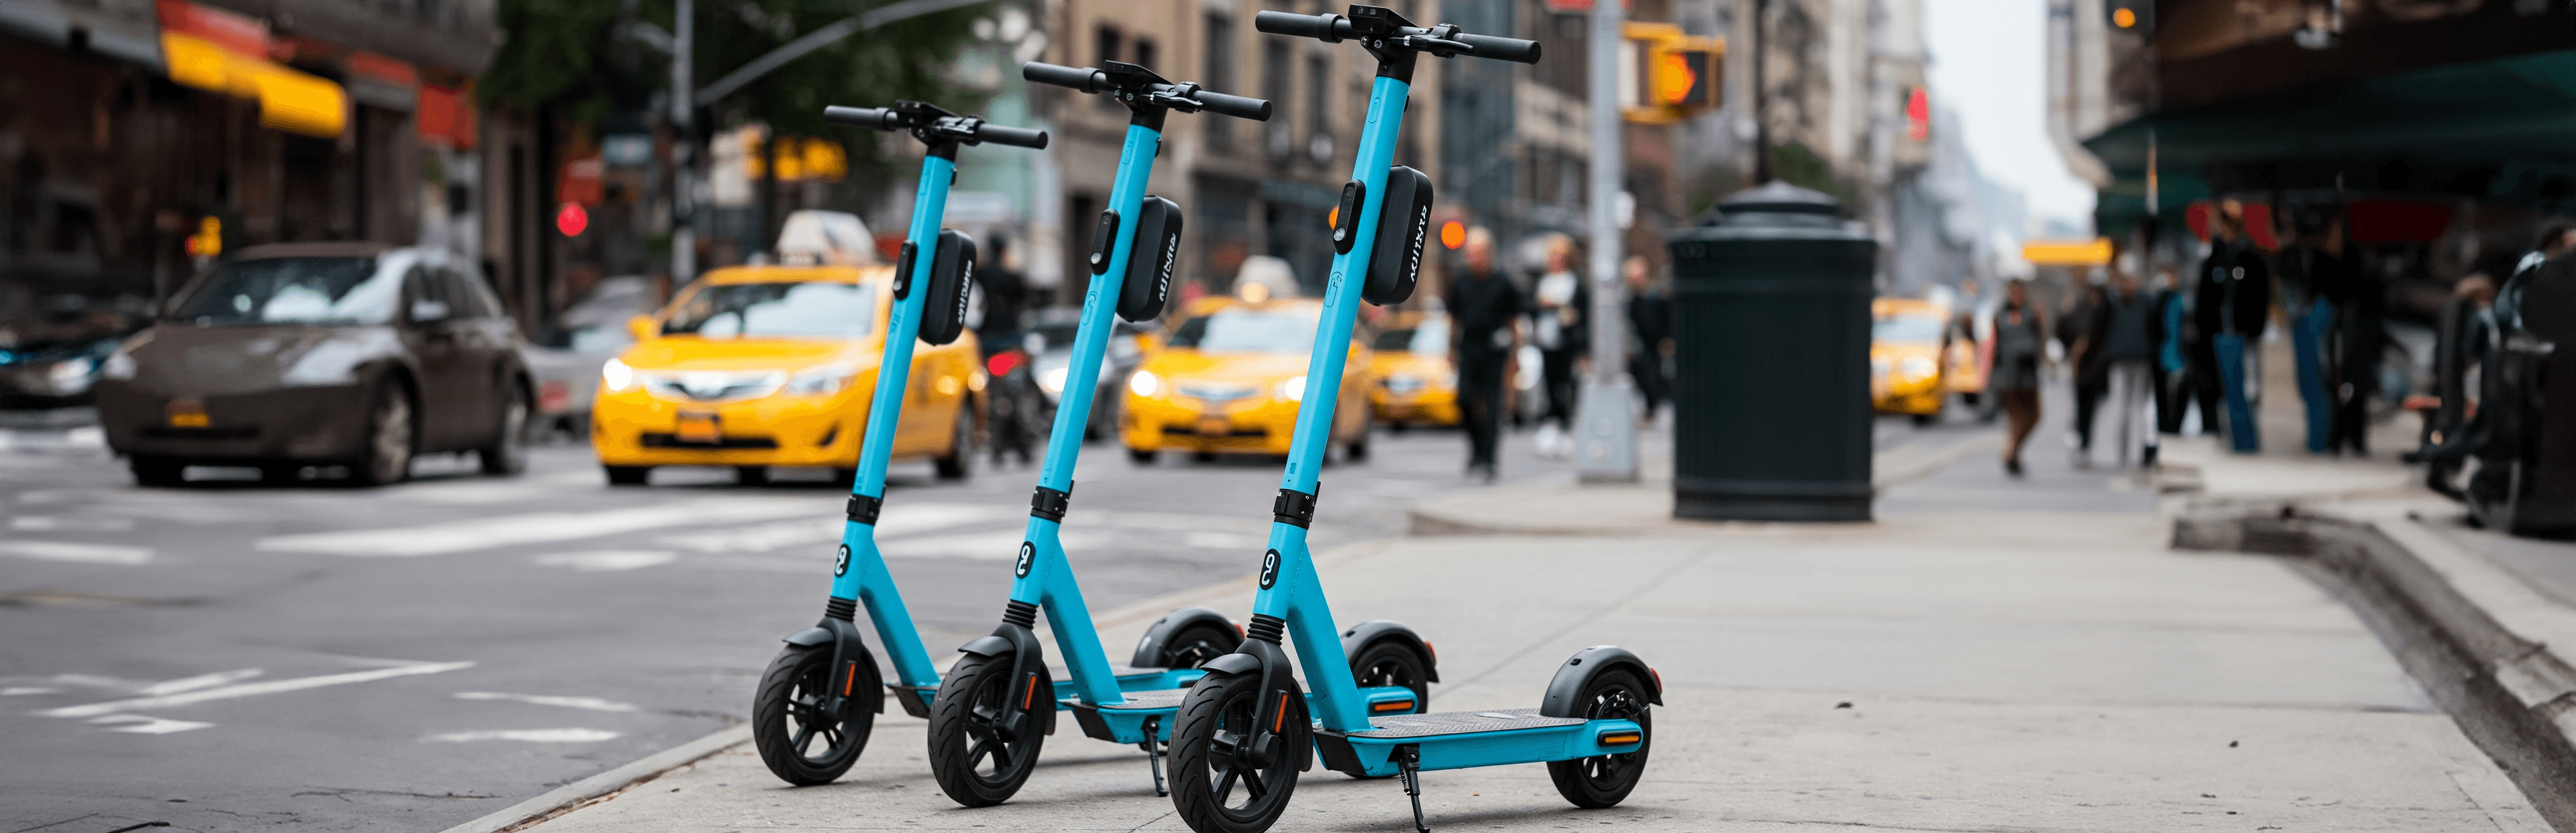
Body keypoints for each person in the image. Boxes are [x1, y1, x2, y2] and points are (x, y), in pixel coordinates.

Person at [2194, 199, 2273, 452]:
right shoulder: (2214, 260)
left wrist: (2256, 328)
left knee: (2248, 389)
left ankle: (2248, 441)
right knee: (2229, 390)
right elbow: (2203, 298)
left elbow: (2262, 295)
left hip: (2244, 334)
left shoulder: (2250, 258)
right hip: (2222, 334)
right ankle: (2236, 441)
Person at [1446, 226, 1521, 482]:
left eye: (1477, 252)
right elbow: (1453, 319)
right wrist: (1450, 348)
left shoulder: (1504, 283)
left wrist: (1516, 356)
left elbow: (1514, 322)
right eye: (1470, 253)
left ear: (1489, 253)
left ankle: (1488, 459)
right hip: (1469, 350)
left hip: (1495, 352)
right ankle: (1475, 451)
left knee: (1491, 408)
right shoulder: (1461, 281)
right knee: (1465, 401)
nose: (1473, 258)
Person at [2076, 265, 2166, 467]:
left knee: (2141, 408)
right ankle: (2122, 454)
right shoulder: (2111, 302)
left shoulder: (2146, 301)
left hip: (2141, 360)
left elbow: (2156, 329)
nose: (2127, 285)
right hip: (2118, 361)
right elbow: (2099, 331)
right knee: (2121, 407)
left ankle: (2143, 452)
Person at [1528, 235, 1589, 457]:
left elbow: (1582, 317)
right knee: (1548, 385)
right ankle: (1551, 426)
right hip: (1545, 341)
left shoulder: (1575, 283)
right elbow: (1531, 308)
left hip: (1566, 343)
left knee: (1566, 385)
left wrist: (1583, 350)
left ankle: (1564, 428)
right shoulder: (1542, 282)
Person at [1990, 279, 2048, 476]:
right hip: (2008, 374)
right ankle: (2012, 454)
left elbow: (2039, 340)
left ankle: (2013, 452)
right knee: (2015, 418)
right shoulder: (2000, 315)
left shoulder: (2032, 313)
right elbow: (1994, 346)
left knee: (2034, 416)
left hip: (2028, 374)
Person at [1623, 255, 1673, 423]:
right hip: (1639, 345)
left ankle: (1653, 408)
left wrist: (1668, 339)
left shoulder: (1656, 296)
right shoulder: (1630, 300)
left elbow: (1669, 319)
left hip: (1656, 344)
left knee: (1655, 376)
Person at [2061, 280, 2107, 457]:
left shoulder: (2103, 311)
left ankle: (2084, 440)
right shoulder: (2077, 310)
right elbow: (2064, 331)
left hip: (2094, 368)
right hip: (2080, 368)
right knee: (2080, 407)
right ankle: (2081, 439)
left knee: (2090, 408)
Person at [971, 235, 1028, 358]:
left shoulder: (981, 273)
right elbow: (1021, 299)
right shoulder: (1012, 277)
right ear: (1004, 251)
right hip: (1009, 329)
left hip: (987, 329)